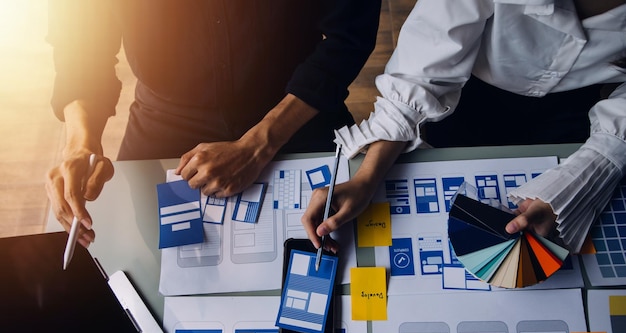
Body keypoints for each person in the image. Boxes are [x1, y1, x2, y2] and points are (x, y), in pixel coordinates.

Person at [45, 0, 381, 247]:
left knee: (337, 252)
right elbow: (80, 49)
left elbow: (349, 36)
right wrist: (81, 143)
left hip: (296, 106)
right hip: (165, 118)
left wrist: (259, 144)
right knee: (156, 267)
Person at [302, 0, 626, 255]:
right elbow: (420, 75)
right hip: (470, 96)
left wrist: (571, 190)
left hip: (578, 112)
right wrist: (365, 177)